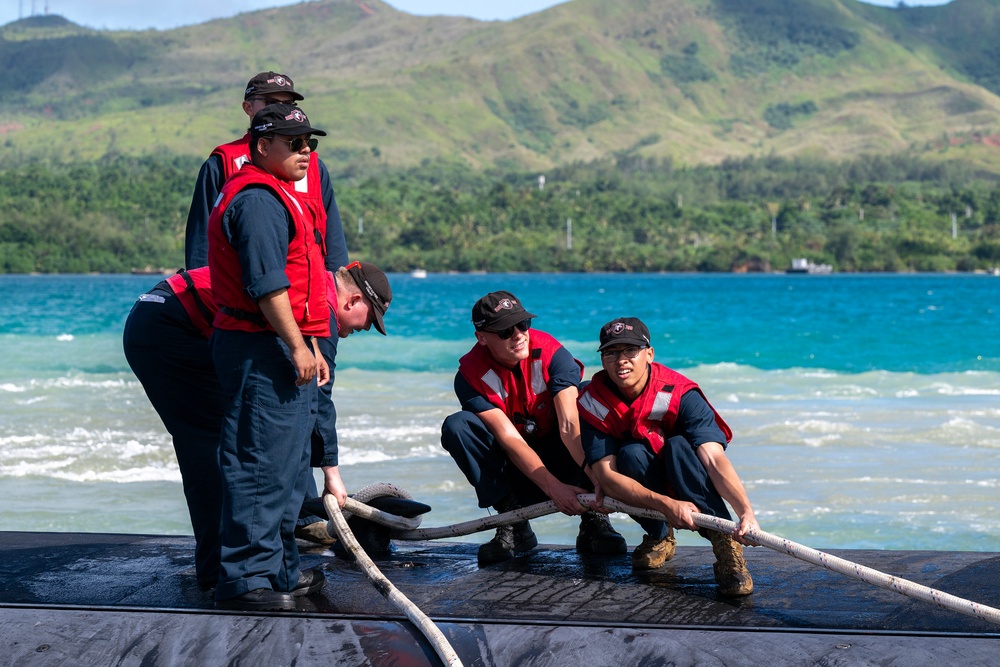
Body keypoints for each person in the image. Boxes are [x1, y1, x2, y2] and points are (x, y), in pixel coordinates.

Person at [207, 103, 392, 611]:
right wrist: (295, 344)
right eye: (294, 142)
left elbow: (302, 281)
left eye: (309, 142)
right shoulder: (260, 201)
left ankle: (280, 572)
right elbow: (267, 286)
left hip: (281, 347)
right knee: (258, 465)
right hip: (259, 349)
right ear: (263, 146)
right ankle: (247, 581)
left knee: (287, 470)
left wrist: (309, 342)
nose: (305, 152)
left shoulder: (282, 196)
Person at [122, 261, 387, 594]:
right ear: (351, 301)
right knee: (224, 446)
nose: (366, 329)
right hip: (172, 326)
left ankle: (225, 568)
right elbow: (316, 399)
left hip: (160, 316)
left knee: (222, 446)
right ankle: (245, 571)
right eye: (370, 319)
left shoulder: (311, 284)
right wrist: (331, 472)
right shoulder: (324, 308)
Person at [184, 70, 350, 544]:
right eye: (268, 101)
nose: (303, 147)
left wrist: (330, 310)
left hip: (312, 315)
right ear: (248, 109)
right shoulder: (229, 164)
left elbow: (328, 244)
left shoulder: (309, 162)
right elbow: (204, 254)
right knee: (259, 436)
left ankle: (297, 518)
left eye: (287, 100)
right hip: (257, 324)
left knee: (305, 414)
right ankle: (266, 546)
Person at [441, 291, 627, 566]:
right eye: (505, 331)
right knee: (458, 425)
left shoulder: (553, 354)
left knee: (590, 397)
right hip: (517, 469)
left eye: (522, 324)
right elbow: (509, 438)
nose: (519, 335)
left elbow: (569, 425)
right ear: (482, 338)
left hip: (567, 458)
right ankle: (514, 523)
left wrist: (599, 479)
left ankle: (595, 519)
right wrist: (554, 489)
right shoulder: (469, 375)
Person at [577, 317, 758, 596]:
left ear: (649, 354)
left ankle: (726, 549)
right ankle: (660, 536)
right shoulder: (592, 401)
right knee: (630, 453)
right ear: (602, 360)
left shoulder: (681, 393)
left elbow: (713, 458)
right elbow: (606, 476)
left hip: (687, 474)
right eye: (611, 353)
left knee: (678, 447)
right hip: (647, 482)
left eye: (630, 351)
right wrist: (665, 505)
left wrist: (745, 512)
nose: (621, 360)